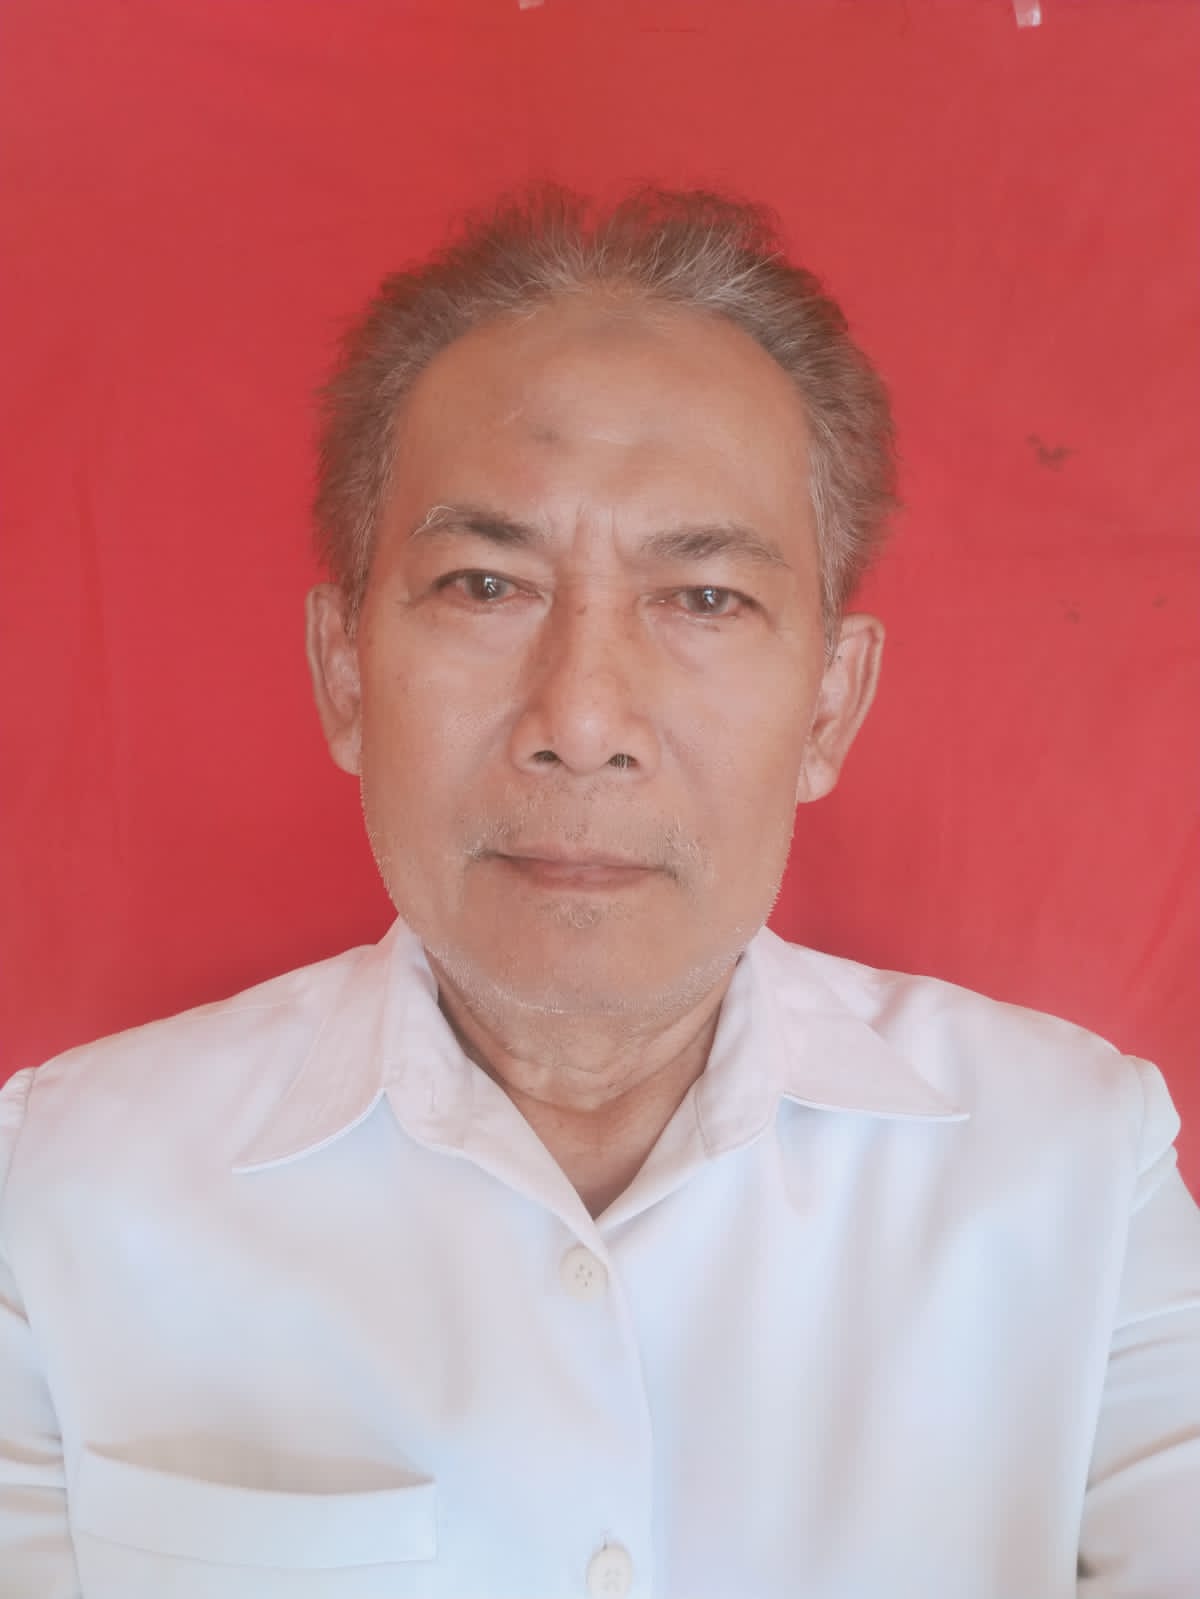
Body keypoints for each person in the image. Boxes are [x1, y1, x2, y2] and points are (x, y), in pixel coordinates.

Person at [1, 186, 1197, 1599]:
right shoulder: (60, 1192)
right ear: (345, 672)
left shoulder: (1071, 1168)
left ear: (829, 705)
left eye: (703, 600)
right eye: (483, 584)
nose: (580, 719)